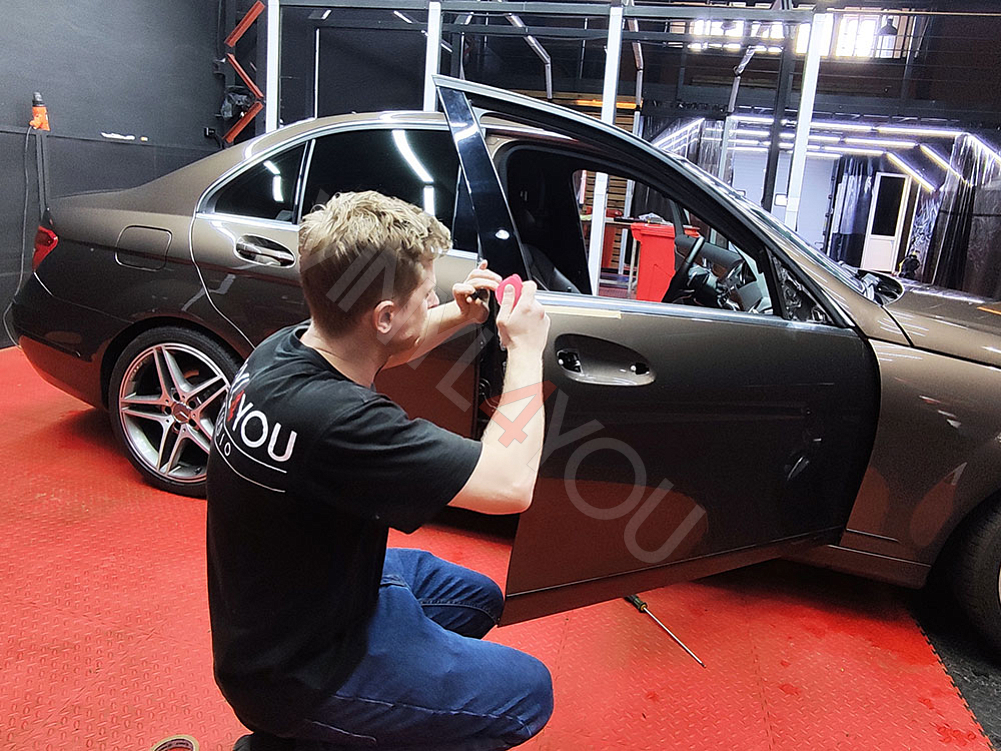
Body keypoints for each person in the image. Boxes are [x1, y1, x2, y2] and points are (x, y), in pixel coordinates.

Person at [206, 190, 554, 751]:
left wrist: (460, 314)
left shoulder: (283, 350)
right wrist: (526, 349)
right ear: (385, 315)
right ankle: (314, 734)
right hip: (299, 673)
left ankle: (392, 707)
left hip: (307, 601)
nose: (435, 298)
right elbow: (510, 484)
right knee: (529, 694)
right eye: (427, 293)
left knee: (480, 598)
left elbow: (383, 348)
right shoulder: (340, 421)